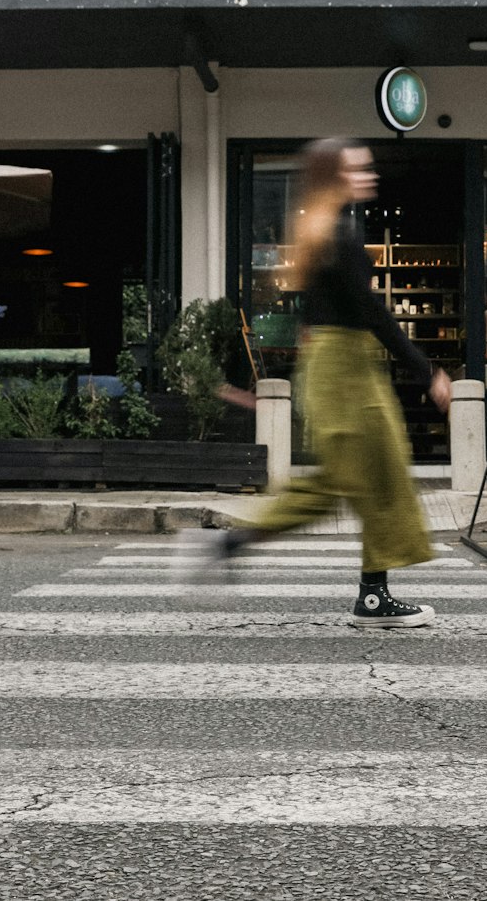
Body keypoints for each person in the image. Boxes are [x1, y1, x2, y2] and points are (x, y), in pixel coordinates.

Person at [183, 138, 452, 628]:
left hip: (340, 368)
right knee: (348, 482)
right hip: (346, 372)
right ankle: (234, 544)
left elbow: (319, 320)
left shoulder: (320, 231)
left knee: (376, 471)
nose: (368, 175)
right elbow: (373, 313)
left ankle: (373, 594)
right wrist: (426, 370)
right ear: (334, 178)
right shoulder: (339, 236)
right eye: (356, 169)